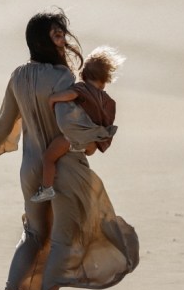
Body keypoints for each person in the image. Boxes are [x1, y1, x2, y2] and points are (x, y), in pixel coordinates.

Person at [0, 10, 139, 290]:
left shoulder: (18, 76)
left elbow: (5, 122)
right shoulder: (63, 77)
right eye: (56, 34)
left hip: (29, 168)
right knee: (64, 240)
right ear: (42, 40)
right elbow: (68, 124)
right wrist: (98, 136)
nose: (62, 39)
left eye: (62, 33)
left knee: (33, 235)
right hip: (65, 168)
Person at [31, 46, 124, 203]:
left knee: (48, 158)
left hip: (70, 139)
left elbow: (70, 94)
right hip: (90, 145)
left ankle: (47, 188)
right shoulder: (107, 101)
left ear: (83, 75)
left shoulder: (82, 88)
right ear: (105, 80)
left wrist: (53, 99)